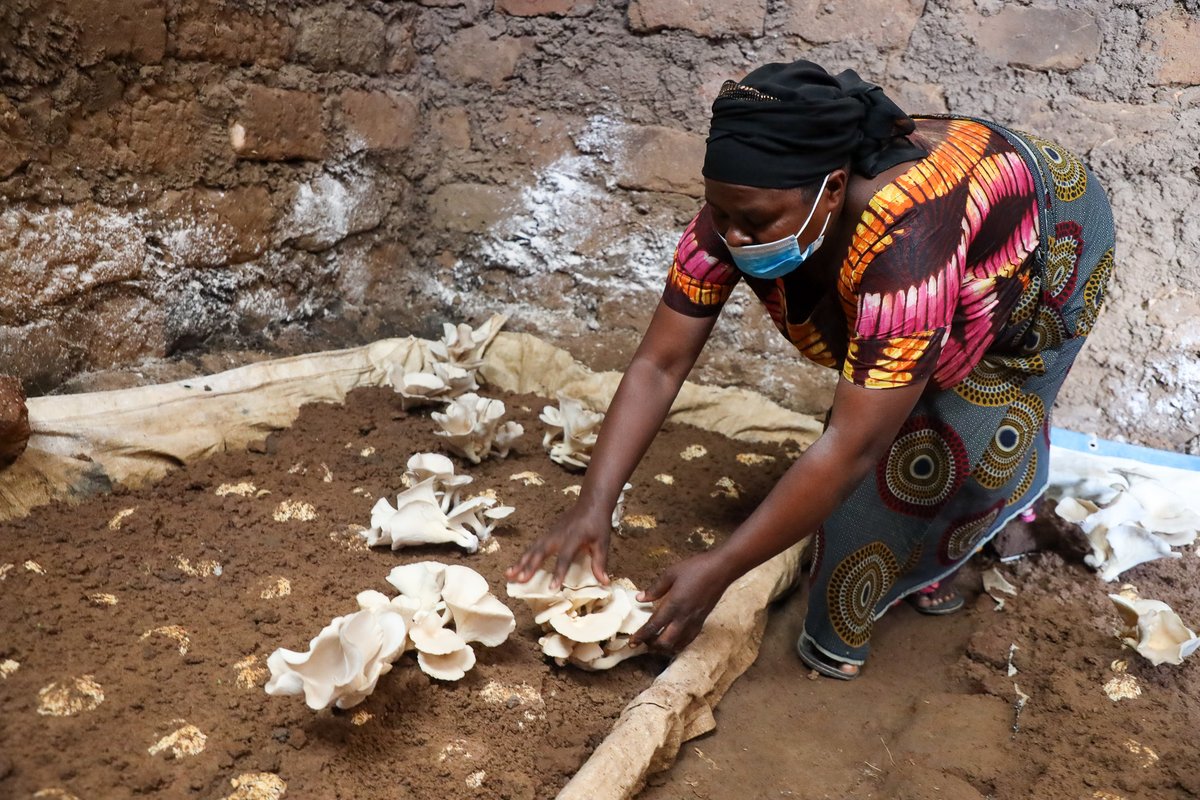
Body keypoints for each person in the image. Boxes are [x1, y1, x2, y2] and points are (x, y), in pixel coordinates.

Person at [506, 60, 1114, 679]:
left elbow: (853, 444)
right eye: (721, 213)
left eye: (756, 222)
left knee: (953, 439)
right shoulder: (738, 211)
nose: (736, 237)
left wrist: (720, 568)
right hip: (922, 247)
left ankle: (996, 525)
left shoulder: (908, 240)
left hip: (1049, 230)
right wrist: (594, 505)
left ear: (830, 190)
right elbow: (659, 365)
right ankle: (945, 526)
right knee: (888, 419)